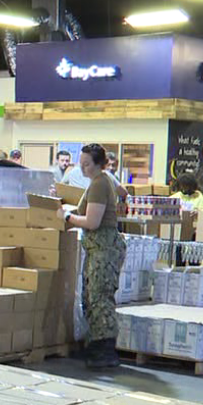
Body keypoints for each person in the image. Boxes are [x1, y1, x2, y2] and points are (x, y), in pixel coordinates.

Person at [59, 144, 126, 369]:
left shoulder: (99, 184)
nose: (83, 168)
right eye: (81, 163)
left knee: (100, 298)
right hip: (97, 248)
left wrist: (67, 217)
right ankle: (96, 343)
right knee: (91, 296)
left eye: (87, 164)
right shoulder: (101, 181)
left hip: (104, 249)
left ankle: (105, 349)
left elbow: (91, 221)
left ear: (99, 164)